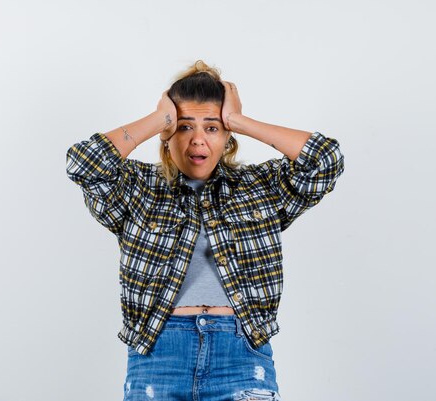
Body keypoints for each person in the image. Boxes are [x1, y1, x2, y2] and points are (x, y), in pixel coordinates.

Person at [65, 60, 345, 401]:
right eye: (184, 127)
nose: (198, 141)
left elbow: (325, 161)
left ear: (227, 137)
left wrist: (240, 121)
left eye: (212, 128)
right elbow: (83, 164)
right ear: (167, 134)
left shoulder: (258, 186)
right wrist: (158, 119)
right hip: (158, 354)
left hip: (240, 355)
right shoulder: (137, 187)